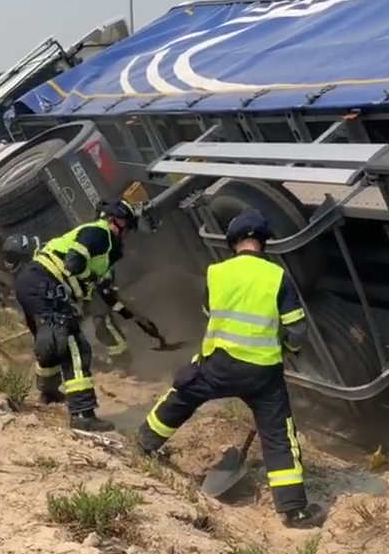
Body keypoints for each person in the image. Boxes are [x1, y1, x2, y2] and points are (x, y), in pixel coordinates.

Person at [134, 209, 323, 529]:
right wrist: (290, 349)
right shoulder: (278, 277)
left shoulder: (216, 273)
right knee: (278, 434)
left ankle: (144, 444)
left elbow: (210, 311)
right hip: (263, 373)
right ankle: (294, 510)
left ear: (233, 242)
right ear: (263, 243)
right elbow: (297, 330)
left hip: (218, 364)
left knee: (183, 393)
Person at [13, 200, 139, 432]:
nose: (128, 231)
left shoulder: (105, 245)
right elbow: (74, 262)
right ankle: (82, 413)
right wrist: (84, 278)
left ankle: (48, 391)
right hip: (46, 282)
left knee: (50, 341)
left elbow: (91, 285)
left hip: (33, 281)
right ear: (114, 220)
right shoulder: (100, 233)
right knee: (75, 346)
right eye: (127, 225)